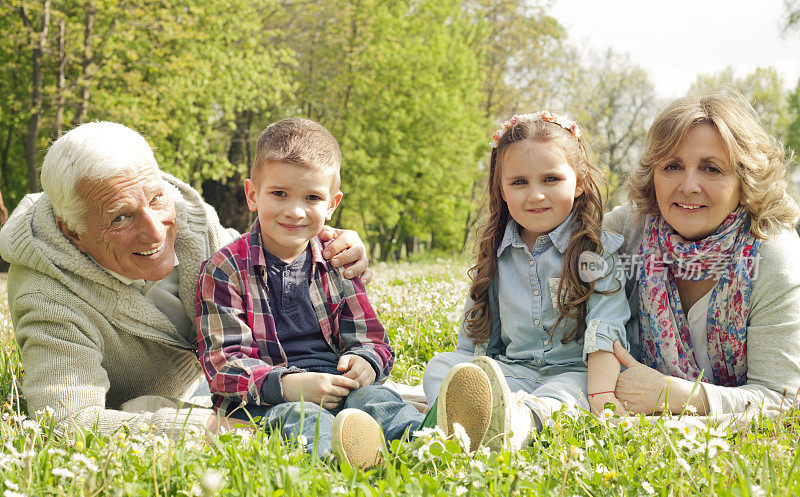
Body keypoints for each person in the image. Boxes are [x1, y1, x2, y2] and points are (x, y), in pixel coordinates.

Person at [0, 121, 370, 438]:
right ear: (73, 232)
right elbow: (69, 421)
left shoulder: (192, 219)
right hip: (177, 409)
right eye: (120, 218)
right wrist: (214, 430)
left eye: (157, 199)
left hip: (252, 386)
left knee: (377, 402)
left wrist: (329, 246)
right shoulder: (46, 292)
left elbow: (261, 262)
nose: (154, 232)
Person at [196, 118, 422, 467]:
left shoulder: (337, 259)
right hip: (271, 400)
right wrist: (291, 386)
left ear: (332, 204)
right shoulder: (225, 269)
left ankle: (432, 444)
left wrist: (365, 363)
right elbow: (224, 365)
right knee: (304, 422)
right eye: (279, 193)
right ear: (252, 194)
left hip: (339, 386)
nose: (295, 211)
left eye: (313, 197)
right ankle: (344, 462)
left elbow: (372, 339)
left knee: (380, 401)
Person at [421, 111, 630, 452]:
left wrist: (603, 395)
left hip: (575, 373)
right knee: (440, 366)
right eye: (519, 182)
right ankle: (464, 415)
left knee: (561, 399)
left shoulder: (595, 250)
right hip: (512, 371)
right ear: (501, 189)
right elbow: (476, 338)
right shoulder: (495, 252)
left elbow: (604, 329)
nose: (535, 195)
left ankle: (514, 426)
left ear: (578, 183)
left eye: (550, 179)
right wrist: (467, 374)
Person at [605, 87, 800, 417]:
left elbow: (780, 399)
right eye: (672, 166)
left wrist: (676, 395)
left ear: (744, 180)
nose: (688, 185)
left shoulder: (772, 256)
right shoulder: (628, 229)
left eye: (711, 168)